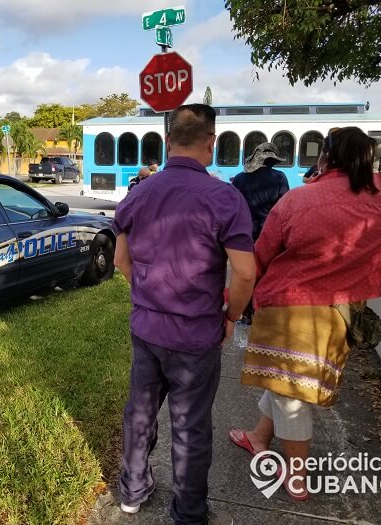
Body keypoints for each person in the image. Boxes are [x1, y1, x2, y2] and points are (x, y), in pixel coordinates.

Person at [229, 127, 381, 501]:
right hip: (338, 313)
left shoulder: (298, 201)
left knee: (291, 396)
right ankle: (258, 437)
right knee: (285, 383)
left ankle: (297, 476)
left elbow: (259, 257)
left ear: (325, 158)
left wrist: (232, 301)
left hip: (288, 312)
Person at [113, 104, 256, 525]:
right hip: (196, 336)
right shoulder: (224, 197)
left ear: (168, 141)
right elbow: (245, 272)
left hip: (147, 329)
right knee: (191, 426)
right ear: (210, 142)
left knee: (139, 411)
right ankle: (189, 513)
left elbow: (122, 260)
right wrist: (231, 316)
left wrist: (145, 296)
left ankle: (133, 492)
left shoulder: (140, 191)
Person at [231, 142, 290, 242]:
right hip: (269, 229)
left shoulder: (239, 177)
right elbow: (285, 206)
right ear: (272, 161)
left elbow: (232, 204)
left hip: (243, 229)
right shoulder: (279, 177)